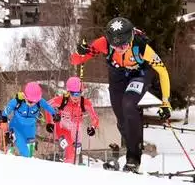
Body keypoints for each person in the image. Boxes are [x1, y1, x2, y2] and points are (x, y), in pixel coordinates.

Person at [71, 16, 172, 172]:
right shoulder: (103, 43)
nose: (121, 48)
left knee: (129, 103)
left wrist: (165, 102)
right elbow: (76, 60)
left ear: (131, 37)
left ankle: (133, 158)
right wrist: (80, 52)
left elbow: (162, 71)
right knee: (120, 115)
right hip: (117, 75)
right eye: (116, 46)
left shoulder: (141, 47)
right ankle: (132, 143)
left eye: (124, 44)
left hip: (139, 74)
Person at [49, 76, 99, 165]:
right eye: (73, 94)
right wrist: (51, 120)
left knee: (76, 153)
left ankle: (71, 169)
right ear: (68, 92)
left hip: (76, 131)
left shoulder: (85, 103)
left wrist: (93, 128)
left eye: (78, 93)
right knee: (70, 152)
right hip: (62, 129)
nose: (76, 97)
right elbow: (47, 106)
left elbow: (95, 118)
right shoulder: (62, 100)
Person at [2, 82, 56, 157]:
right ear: (25, 96)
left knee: (30, 152)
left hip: (30, 127)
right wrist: (4, 121)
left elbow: (48, 107)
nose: (32, 104)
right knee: (25, 151)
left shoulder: (39, 101)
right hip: (17, 127)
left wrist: (54, 114)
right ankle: (11, 148)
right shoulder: (18, 101)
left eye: (34, 102)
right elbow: (6, 111)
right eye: (30, 101)